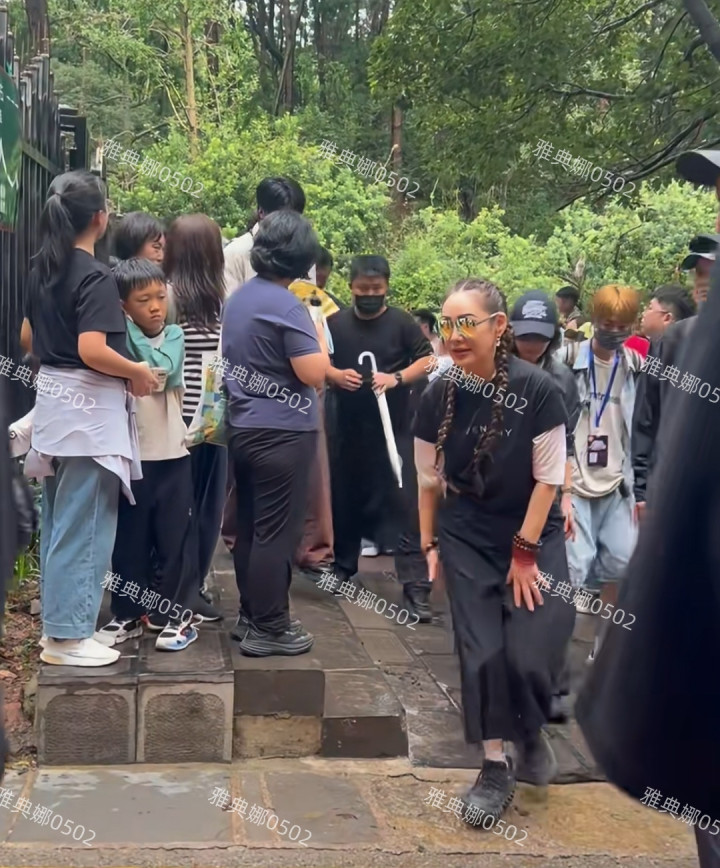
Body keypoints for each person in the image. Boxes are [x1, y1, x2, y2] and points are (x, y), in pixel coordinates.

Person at [576, 252, 720, 868]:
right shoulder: (680, 346)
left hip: (620, 489)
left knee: (614, 566)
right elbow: (662, 434)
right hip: (586, 484)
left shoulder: (651, 357)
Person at [413, 277, 573, 823]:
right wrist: (429, 541)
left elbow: (549, 479)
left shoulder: (539, 390)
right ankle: (494, 765)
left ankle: (530, 731)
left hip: (533, 531)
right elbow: (428, 481)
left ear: (498, 326)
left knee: (530, 651)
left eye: (467, 323)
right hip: (467, 534)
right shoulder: (435, 394)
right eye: (447, 324)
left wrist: (524, 553)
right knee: (481, 653)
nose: (454, 335)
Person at [21, 171, 157, 667]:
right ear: (100, 218)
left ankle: (61, 628)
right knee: (87, 525)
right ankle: (68, 637)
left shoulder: (41, 268)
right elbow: (92, 349)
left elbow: (28, 339)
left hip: (58, 408)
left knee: (64, 521)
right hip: (89, 416)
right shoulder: (96, 276)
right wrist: (137, 371)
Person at [223, 210, 329, 657]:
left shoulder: (241, 298)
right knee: (277, 533)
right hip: (281, 431)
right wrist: (317, 327)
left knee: (251, 527)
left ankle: (251, 616)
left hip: (245, 426)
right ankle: (270, 626)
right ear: (302, 258)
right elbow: (313, 373)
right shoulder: (287, 305)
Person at [95, 259, 198, 650]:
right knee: (129, 541)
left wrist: (129, 355)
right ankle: (127, 614)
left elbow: (161, 373)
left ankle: (175, 616)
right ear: (123, 305)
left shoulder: (174, 334)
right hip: (132, 458)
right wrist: (125, 349)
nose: (156, 307)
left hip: (173, 455)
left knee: (174, 540)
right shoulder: (115, 339)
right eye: (143, 300)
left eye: (160, 297)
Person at [326, 255, 434, 621]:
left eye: (376, 289)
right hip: (347, 431)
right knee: (345, 500)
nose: (370, 295)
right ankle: (342, 568)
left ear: (386, 287)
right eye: (363, 289)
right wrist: (335, 376)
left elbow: (428, 360)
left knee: (406, 507)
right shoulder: (335, 324)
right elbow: (318, 363)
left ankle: (416, 586)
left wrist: (396, 378)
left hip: (396, 433)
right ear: (351, 287)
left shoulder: (402, 323)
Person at [221, 177, 309, 555]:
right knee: (260, 513)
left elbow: (310, 305)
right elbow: (230, 315)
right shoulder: (237, 253)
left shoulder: (299, 252)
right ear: (260, 213)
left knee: (271, 512)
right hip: (257, 379)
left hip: (286, 381)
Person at [509, 290, 581, 723]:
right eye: (524, 336)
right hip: (501, 496)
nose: (531, 344)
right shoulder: (494, 372)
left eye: (540, 337)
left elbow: (566, 442)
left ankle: (552, 685)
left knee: (556, 599)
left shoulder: (562, 379)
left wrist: (567, 496)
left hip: (547, 493)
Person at [559, 285, 642, 648]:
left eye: (623, 326)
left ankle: (604, 647)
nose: (615, 332)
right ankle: (553, 648)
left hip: (616, 482)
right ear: (594, 320)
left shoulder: (637, 367)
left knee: (623, 563)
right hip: (574, 481)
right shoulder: (566, 359)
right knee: (572, 570)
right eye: (608, 324)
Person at [163, 214, 226, 620]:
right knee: (201, 506)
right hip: (204, 418)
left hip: (186, 418)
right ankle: (187, 588)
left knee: (184, 507)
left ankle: (181, 586)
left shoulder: (170, 296)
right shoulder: (216, 300)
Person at [632, 234, 715, 516]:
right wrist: (642, 488)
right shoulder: (672, 341)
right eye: (699, 274)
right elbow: (646, 415)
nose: (703, 282)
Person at [223, 177, 308, 296]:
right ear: (261, 212)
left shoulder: (303, 254)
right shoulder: (235, 254)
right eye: (282, 219)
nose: (289, 225)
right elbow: (230, 304)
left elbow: (311, 301)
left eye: (295, 218)